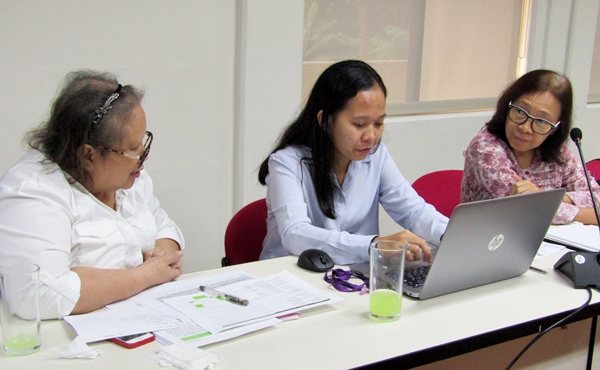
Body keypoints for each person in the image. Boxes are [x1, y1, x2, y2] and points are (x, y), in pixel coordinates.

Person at [0, 70, 185, 319]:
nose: (142, 156)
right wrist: (144, 275)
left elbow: (164, 226)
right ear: (89, 156)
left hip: (142, 319)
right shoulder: (32, 190)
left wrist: (162, 253)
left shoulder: (129, 175)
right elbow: (37, 294)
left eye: (143, 142)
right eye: (133, 149)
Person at [258, 60, 448, 265]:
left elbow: (413, 210)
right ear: (324, 120)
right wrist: (374, 245)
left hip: (355, 278)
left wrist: (451, 236)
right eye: (359, 124)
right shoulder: (287, 163)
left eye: (379, 123)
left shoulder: (377, 155)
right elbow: (295, 234)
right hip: (294, 279)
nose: (371, 136)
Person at [461, 69, 600, 225]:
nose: (525, 128)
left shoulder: (558, 152)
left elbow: (596, 197)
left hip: (551, 243)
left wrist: (545, 196)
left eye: (541, 121)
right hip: (490, 241)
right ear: (507, 106)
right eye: (520, 111)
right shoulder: (485, 148)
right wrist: (587, 214)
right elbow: (527, 209)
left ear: (555, 127)